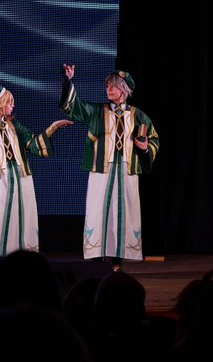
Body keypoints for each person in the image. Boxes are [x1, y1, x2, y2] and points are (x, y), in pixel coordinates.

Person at [60, 64, 159, 270]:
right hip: (101, 169)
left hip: (127, 170)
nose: (108, 89)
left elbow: (153, 140)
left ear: (124, 89)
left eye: (113, 86)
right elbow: (73, 107)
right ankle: (97, 261)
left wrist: (145, 147)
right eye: (107, 86)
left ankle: (117, 262)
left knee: (122, 214)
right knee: (98, 211)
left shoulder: (138, 115)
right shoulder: (97, 111)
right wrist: (68, 81)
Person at [0, 85, 73, 263]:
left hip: (22, 177)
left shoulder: (15, 125)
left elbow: (32, 144)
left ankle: (21, 258)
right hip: (1, 178)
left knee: (23, 216)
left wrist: (52, 128)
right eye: (9, 103)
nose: (13, 106)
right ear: (0, 105)